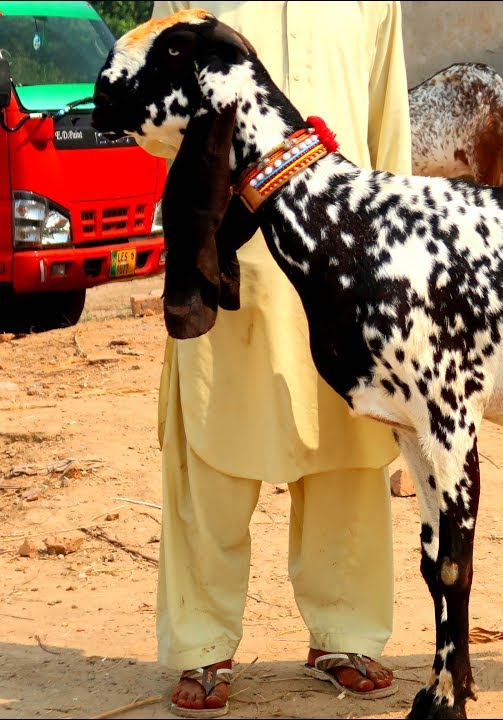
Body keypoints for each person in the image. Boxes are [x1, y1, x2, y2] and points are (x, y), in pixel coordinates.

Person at [139, 2, 413, 715]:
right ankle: (202, 644)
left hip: (341, 258)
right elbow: (148, 108)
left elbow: (388, 125)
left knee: (351, 446)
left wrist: (396, 252)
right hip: (227, 255)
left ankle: (344, 633)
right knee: (209, 448)